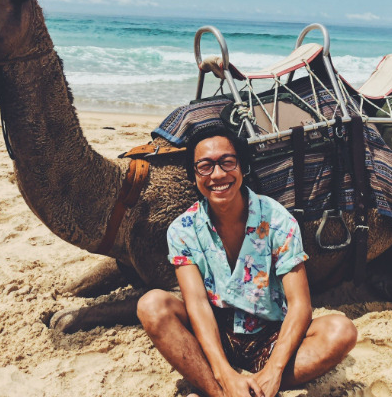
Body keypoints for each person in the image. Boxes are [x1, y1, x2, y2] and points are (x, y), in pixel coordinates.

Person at [137, 126, 357, 397]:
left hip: (271, 335)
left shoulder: (277, 219)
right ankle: (220, 392)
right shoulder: (182, 229)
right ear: (194, 175)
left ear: (242, 167)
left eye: (227, 162)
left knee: (341, 330)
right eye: (205, 166)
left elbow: (300, 305)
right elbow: (196, 304)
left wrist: (273, 372)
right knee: (152, 306)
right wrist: (223, 373)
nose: (217, 175)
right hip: (216, 335)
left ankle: (257, 387)